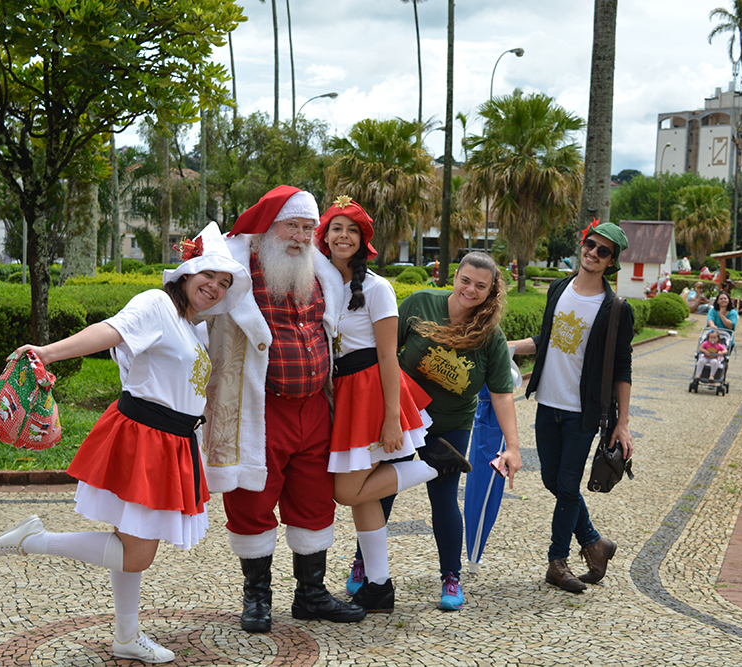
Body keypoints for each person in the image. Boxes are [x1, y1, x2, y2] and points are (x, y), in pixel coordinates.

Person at [0, 222, 250, 664]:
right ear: (185, 273)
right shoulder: (156, 305)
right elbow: (110, 331)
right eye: (209, 276)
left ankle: (126, 636)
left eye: (224, 283)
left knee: (132, 544)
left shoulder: (194, 328)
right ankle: (33, 539)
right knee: (137, 553)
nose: (215, 287)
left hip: (175, 443)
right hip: (145, 439)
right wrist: (48, 352)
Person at [200, 186, 366, 634]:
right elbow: (190, 308)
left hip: (315, 407)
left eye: (309, 228)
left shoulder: (322, 275)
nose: (300, 236)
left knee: (313, 499)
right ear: (269, 226)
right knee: (252, 500)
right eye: (293, 225)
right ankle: (257, 597)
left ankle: (310, 595)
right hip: (259, 408)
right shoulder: (234, 269)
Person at [314, 195, 470, 613]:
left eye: (352, 229)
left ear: (363, 240)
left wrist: (390, 419)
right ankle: (379, 586)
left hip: (370, 390)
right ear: (324, 237)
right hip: (343, 392)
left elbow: (387, 356)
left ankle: (436, 462)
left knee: (345, 492)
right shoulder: (325, 286)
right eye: (336, 228)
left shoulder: (378, 288)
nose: (343, 235)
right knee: (363, 497)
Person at [358, 251, 523, 611]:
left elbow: (501, 395)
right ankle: (365, 567)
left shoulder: (490, 337)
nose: (471, 290)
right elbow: (383, 351)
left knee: (444, 498)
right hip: (402, 417)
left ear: (491, 289)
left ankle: (451, 577)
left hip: (450, 426)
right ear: (454, 277)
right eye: (465, 280)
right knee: (381, 491)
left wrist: (512, 445)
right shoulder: (421, 304)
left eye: (481, 286)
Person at [508, 221, 634, 594]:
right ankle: (595, 542)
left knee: (566, 486)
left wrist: (622, 423)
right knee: (551, 479)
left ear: (612, 262)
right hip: (547, 402)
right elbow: (545, 341)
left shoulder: (615, 309)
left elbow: (623, 368)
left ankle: (557, 561)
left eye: (603, 251)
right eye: (590, 245)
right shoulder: (558, 288)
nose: (593, 253)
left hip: (583, 411)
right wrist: (506, 346)